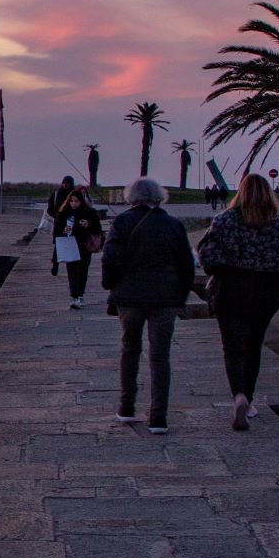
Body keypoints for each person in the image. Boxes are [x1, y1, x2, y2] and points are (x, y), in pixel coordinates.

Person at [196, 173, 279, 432]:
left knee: (233, 349)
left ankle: (238, 395)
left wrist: (226, 266)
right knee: (253, 347)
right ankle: (248, 399)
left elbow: (205, 253)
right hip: (264, 294)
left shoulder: (224, 220)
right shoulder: (274, 224)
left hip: (229, 292)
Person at [101, 177, 196, 433]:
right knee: (160, 356)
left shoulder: (122, 222)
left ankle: (127, 406)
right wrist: (181, 297)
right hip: (165, 299)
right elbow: (187, 265)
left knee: (130, 349)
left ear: (131, 198)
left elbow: (110, 259)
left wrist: (110, 287)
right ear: (158, 197)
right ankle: (158, 417)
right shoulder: (173, 224)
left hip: (129, 299)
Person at [53, 187, 104, 308]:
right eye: (71, 201)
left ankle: (80, 295)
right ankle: (74, 295)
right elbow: (56, 232)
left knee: (82, 271)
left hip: (84, 246)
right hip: (70, 246)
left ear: (81, 201)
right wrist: (64, 231)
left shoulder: (89, 213)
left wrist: (88, 225)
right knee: (72, 272)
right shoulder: (63, 213)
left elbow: (98, 229)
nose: (73, 203)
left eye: (76, 201)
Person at [45, 176, 77, 274]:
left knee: (71, 244)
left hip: (72, 224)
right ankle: (55, 265)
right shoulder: (56, 194)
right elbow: (50, 210)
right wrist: (57, 216)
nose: (65, 185)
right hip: (59, 224)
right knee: (58, 245)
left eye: (67, 183)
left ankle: (71, 266)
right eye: (64, 182)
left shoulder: (75, 194)